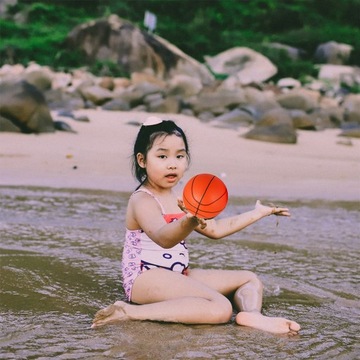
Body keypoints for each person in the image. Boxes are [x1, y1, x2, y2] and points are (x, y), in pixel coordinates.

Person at [91, 116, 300, 335]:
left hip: (179, 273)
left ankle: (252, 316)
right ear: (142, 160)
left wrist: (256, 214)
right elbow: (164, 238)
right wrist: (190, 218)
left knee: (249, 279)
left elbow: (216, 229)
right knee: (221, 309)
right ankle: (129, 312)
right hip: (145, 277)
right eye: (162, 156)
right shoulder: (142, 200)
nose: (172, 163)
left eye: (179, 156)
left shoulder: (182, 197)